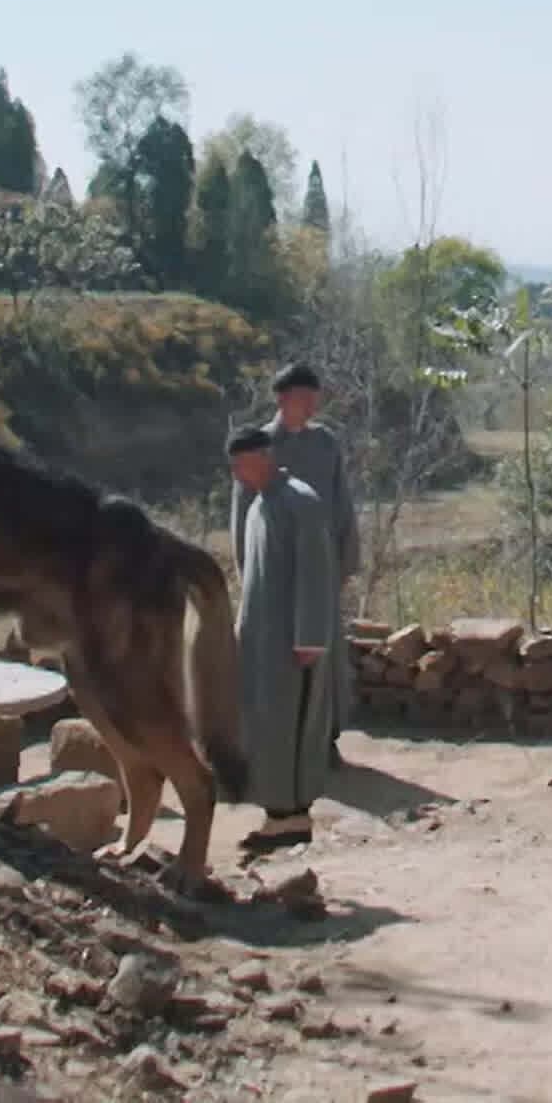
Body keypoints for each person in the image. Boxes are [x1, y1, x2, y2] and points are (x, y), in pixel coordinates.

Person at [226, 422, 340, 852]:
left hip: (293, 642)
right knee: (267, 726)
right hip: (261, 639)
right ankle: (278, 816)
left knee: (292, 724)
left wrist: (309, 638)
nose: (238, 474)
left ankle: (292, 816)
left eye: (242, 464)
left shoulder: (300, 502)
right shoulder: (259, 504)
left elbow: (315, 572)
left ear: (264, 457)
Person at [237, 362, 360, 739]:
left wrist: (344, 563)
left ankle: (325, 738)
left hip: (320, 572)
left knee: (325, 661)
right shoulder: (258, 445)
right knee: (276, 661)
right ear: (282, 399)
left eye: (314, 399)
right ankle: (277, 741)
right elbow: (243, 517)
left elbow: (342, 505)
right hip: (275, 575)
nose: (311, 407)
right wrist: (248, 575)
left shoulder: (325, 443)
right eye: (304, 399)